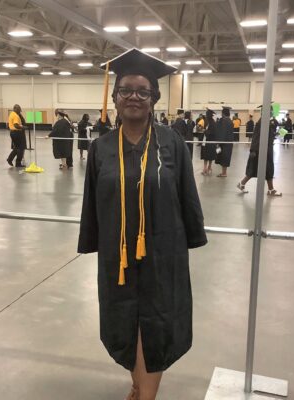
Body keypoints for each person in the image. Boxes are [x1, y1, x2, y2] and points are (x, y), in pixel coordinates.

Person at [78, 48, 207, 400]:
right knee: (126, 321)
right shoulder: (100, 148)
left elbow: (187, 195)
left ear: (154, 98)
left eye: (143, 91)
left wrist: (191, 238)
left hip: (163, 252)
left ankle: (146, 395)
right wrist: (93, 242)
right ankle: (138, 383)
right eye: (126, 90)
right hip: (117, 256)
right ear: (114, 97)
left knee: (156, 321)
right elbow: (92, 202)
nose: (134, 96)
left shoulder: (172, 143)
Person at [237, 105, 282, 196]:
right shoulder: (261, 122)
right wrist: (253, 150)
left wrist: (276, 134)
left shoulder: (267, 122)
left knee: (268, 170)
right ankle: (242, 184)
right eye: (271, 111)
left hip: (266, 149)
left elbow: (268, 136)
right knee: (254, 169)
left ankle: (270, 189)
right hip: (260, 151)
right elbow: (256, 137)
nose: (272, 113)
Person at [215, 106, 234, 177]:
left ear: (223, 113)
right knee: (225, 158)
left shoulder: (224, 121)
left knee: (223, 157)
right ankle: (224, 172)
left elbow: (222, 132)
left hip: (223, 143)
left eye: (221, 112)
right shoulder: (230, 121)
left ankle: (224, 173)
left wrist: (218, 143)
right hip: (228, 142)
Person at [200, 109, 217, 175]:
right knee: (210, 155)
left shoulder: (209, 122)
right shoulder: (213, 122)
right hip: (212, 141)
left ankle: (205, 169)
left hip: (208, 141)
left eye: (206, 114)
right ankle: (209, 167)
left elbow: (209, 132)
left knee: (206, 156)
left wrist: (204, 130)